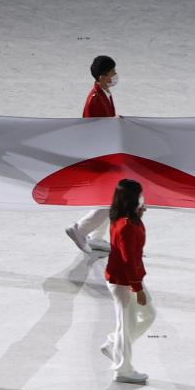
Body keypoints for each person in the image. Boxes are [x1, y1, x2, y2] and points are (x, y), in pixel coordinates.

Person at [100, 178, 154, 384]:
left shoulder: (125, 218)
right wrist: (137, 288)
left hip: (127, 279)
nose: (143, 199)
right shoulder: (126, 226)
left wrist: (138, 215)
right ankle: (123, 369)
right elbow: (128, 259)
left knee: (148, 314)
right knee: (126, 323)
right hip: (123, 281)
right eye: (139, 195)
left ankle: (114, 344)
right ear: (132, 199)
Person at [65, 55, 118, 255]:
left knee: (109, 197)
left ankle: (96, 237)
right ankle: (80, 229)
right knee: (114, 199)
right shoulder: (95, 99)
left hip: (107, 152)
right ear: (103, 76)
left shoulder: (105, 92)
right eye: (112, 72)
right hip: (101, 155)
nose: (115, 75)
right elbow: (92, 129)